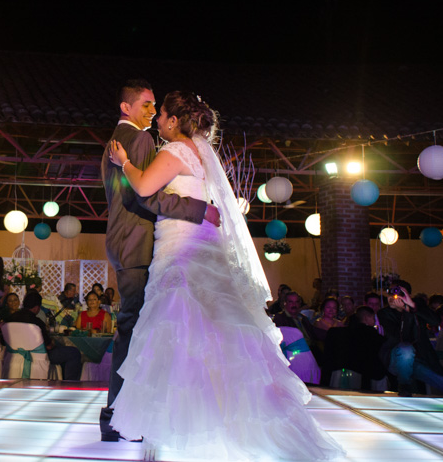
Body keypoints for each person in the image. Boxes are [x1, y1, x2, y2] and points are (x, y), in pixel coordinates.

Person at [107, 91, 343, 460]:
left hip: (180, 246)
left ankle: (188, 426)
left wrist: (124, 162)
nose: (158, 120)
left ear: (173, 120)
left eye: (162, 114)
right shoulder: (203, 154)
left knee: (180, 327)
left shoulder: (176, 150)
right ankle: (232, 417)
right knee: (218, 326)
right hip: (205, 244)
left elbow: (144, 187)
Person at [99, 80, 220, 443]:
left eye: (156, 106)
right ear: (126, 108)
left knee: (143, 327)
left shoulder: (119, 140)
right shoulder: (139, 140)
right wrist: (198, 209)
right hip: (135, 242)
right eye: (146, 104)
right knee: (134, 328)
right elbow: (144, 195)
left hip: (128, 241)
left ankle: (125, 413)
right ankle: (117, 415)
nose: (153, 112)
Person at [377, 281, 443, 397]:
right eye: (389, 292)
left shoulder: (417, 307)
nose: (392, 296)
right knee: (406, 349)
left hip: (420, 359)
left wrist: (411, 306)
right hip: (397, 358)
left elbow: (436, 321)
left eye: (397, 292)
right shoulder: (385, 313)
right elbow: (401, 339)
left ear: (407, 295)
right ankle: (404, 386)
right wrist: (405, 311)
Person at [9, 291, 83, 380]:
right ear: (37, 307)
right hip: (38, 356)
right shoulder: (36, 322)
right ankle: (69, 384)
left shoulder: (10, 319)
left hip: (15, 355)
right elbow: (48, 346)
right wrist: (52, 342)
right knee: (73, 352)